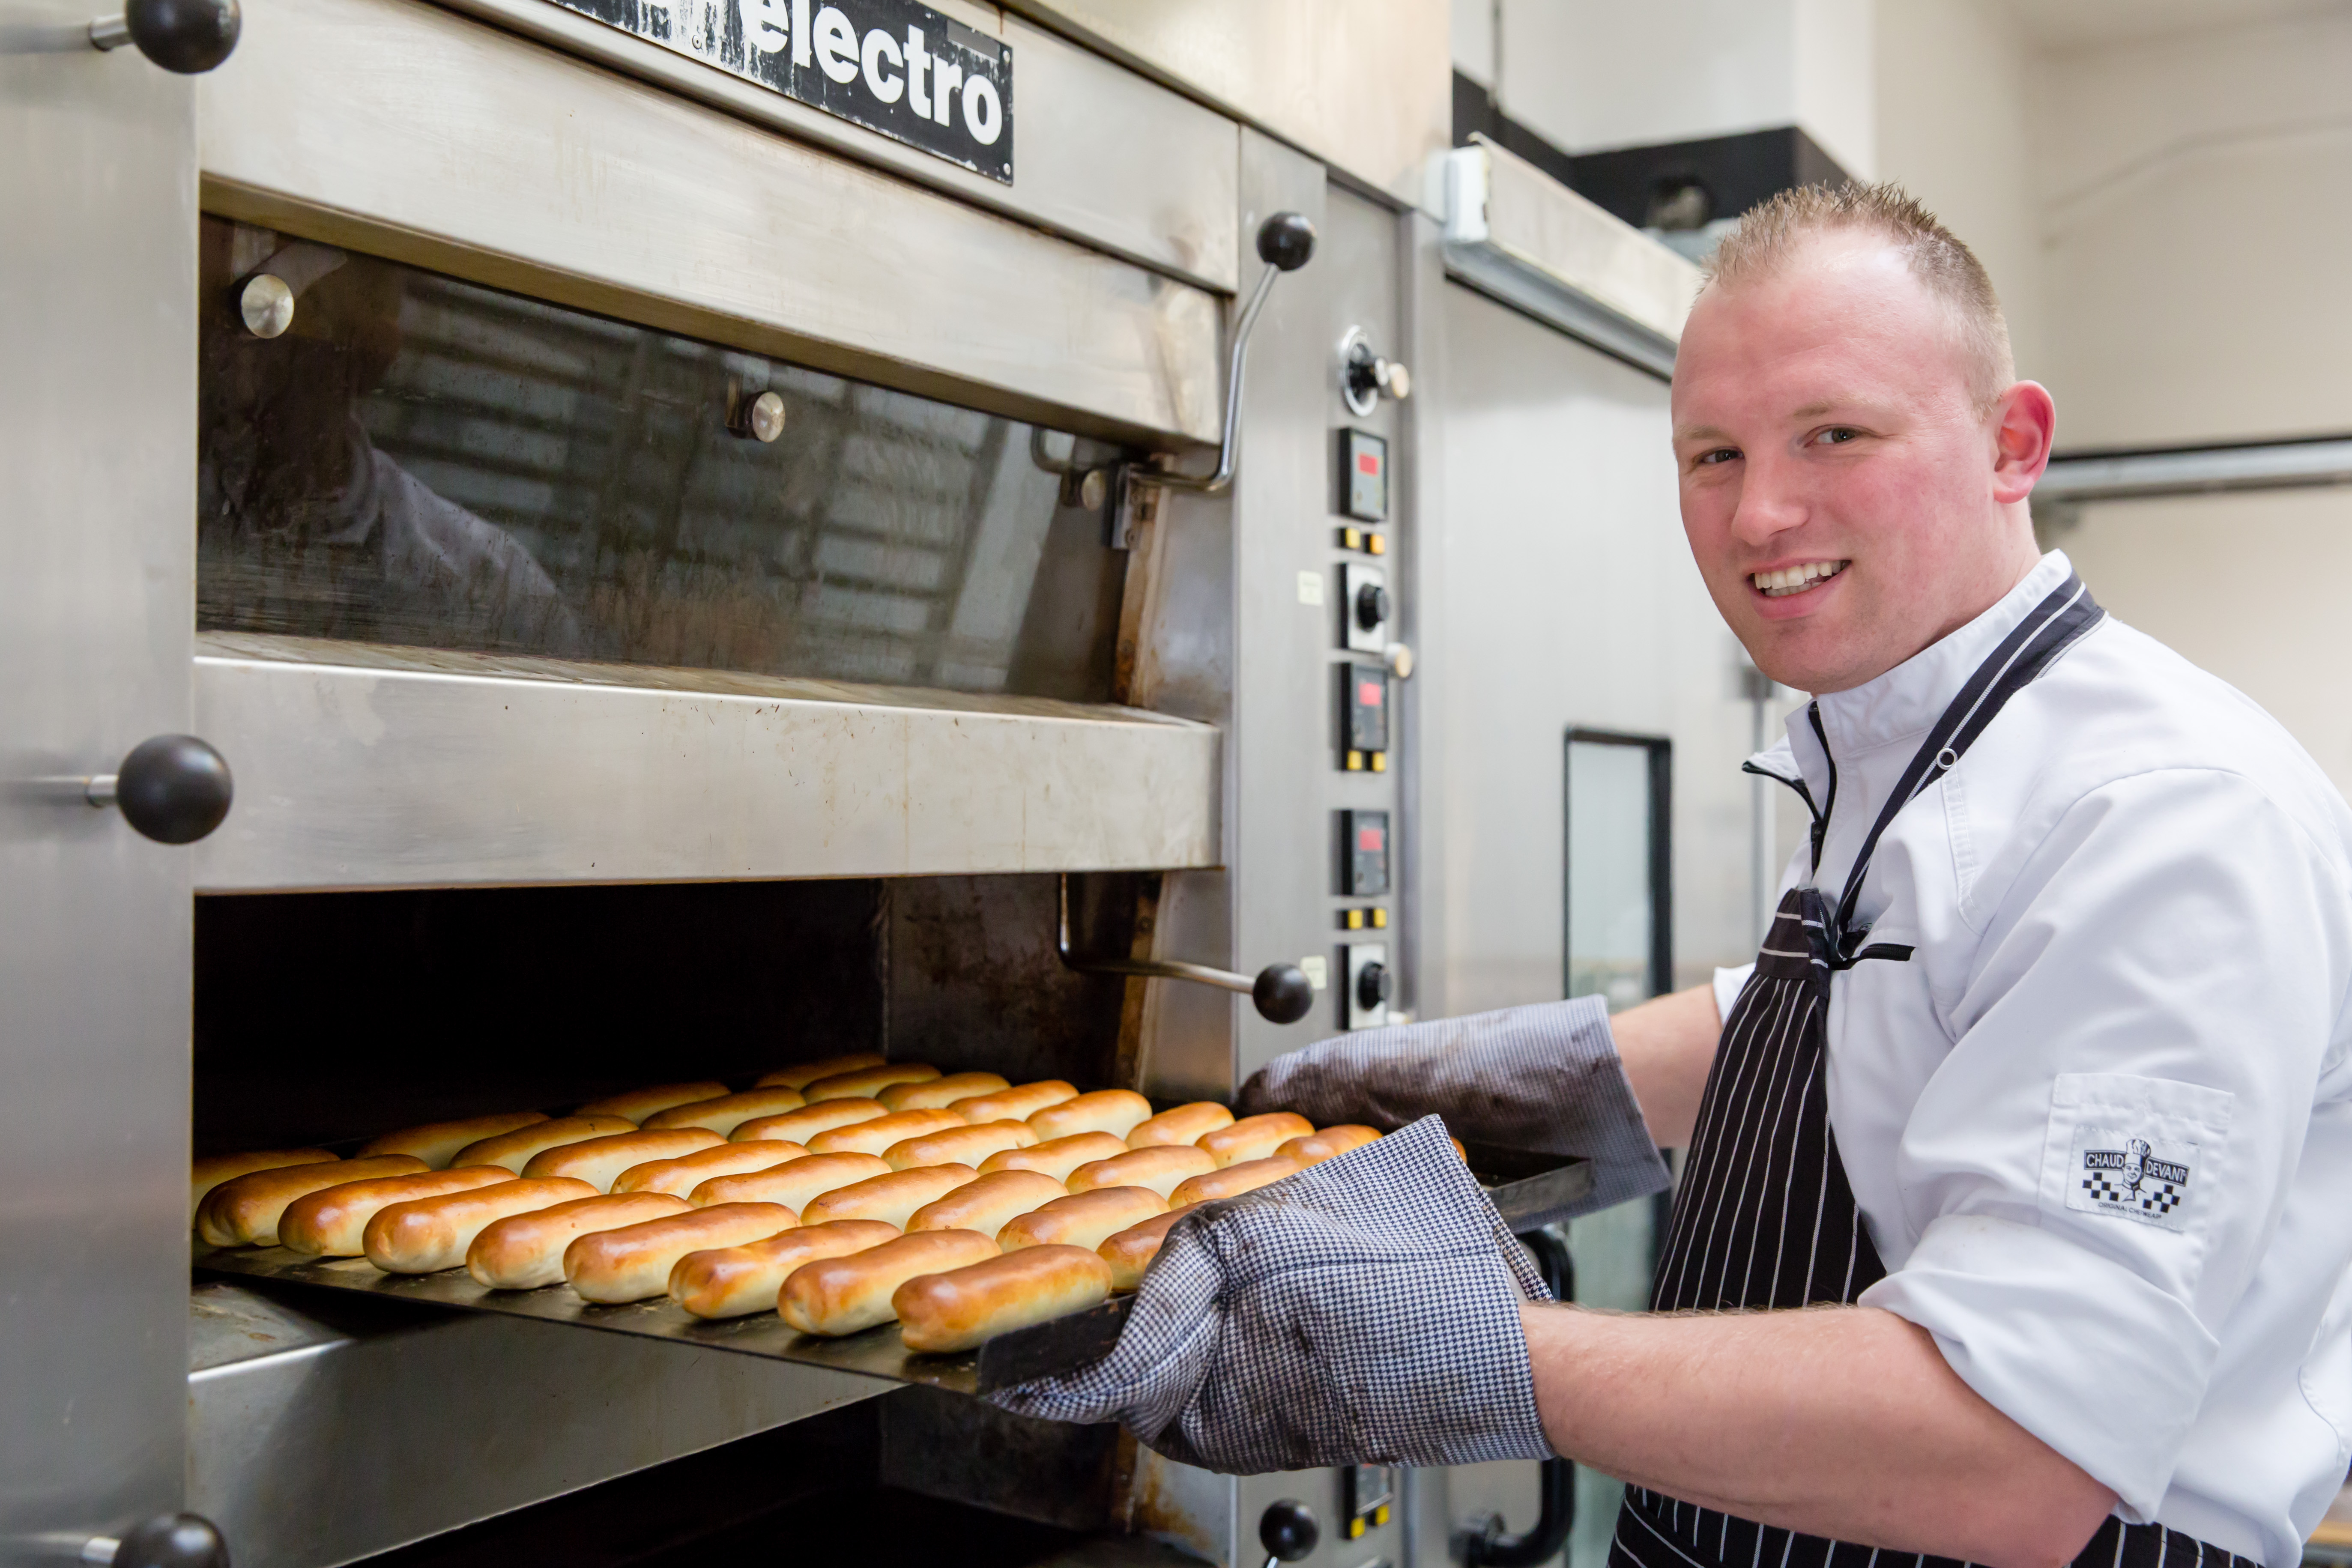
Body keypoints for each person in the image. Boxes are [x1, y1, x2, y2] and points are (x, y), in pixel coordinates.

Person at [996, 184, 2352, 1568]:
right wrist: (1512, 1077)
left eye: (1834, 433)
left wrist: (1470, 1354)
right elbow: (1900, 1016)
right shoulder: (1906, 745)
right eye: (1711, 454)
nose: (1760, 512)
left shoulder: (2163, 821)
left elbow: (2013, 1450)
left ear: (2012, 446)